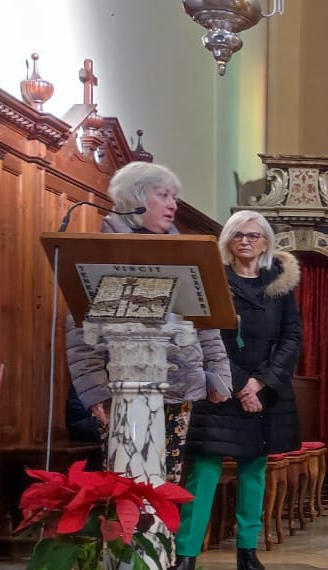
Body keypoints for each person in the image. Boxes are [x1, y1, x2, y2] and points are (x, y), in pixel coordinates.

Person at [65, 161, 231, 486]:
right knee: (126, 483)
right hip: (122, 390)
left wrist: (219, 374)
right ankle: (131, 539)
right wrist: (96, 392)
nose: (173, 205)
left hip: (179, 388)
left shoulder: (184, 252)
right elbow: (83, 334)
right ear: (136, 198)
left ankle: (161, 538)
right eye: (164, 195)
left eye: (174, 197)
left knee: (167, 485)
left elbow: (207, 322)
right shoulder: (101, 252)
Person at [169, 211, 303, 570]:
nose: (246, 242)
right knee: (205, 471)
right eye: (239, 235)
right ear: (228, 241)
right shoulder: (214, 282)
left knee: (253, 470)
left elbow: (291, 337)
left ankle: (247, 549)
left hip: (267, 390)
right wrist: (240, 383)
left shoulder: (280, 284)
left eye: (254, 236)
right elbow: (205, 336)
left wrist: (261, 383)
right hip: (219, 386)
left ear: (266, 243)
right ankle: (187, 552)